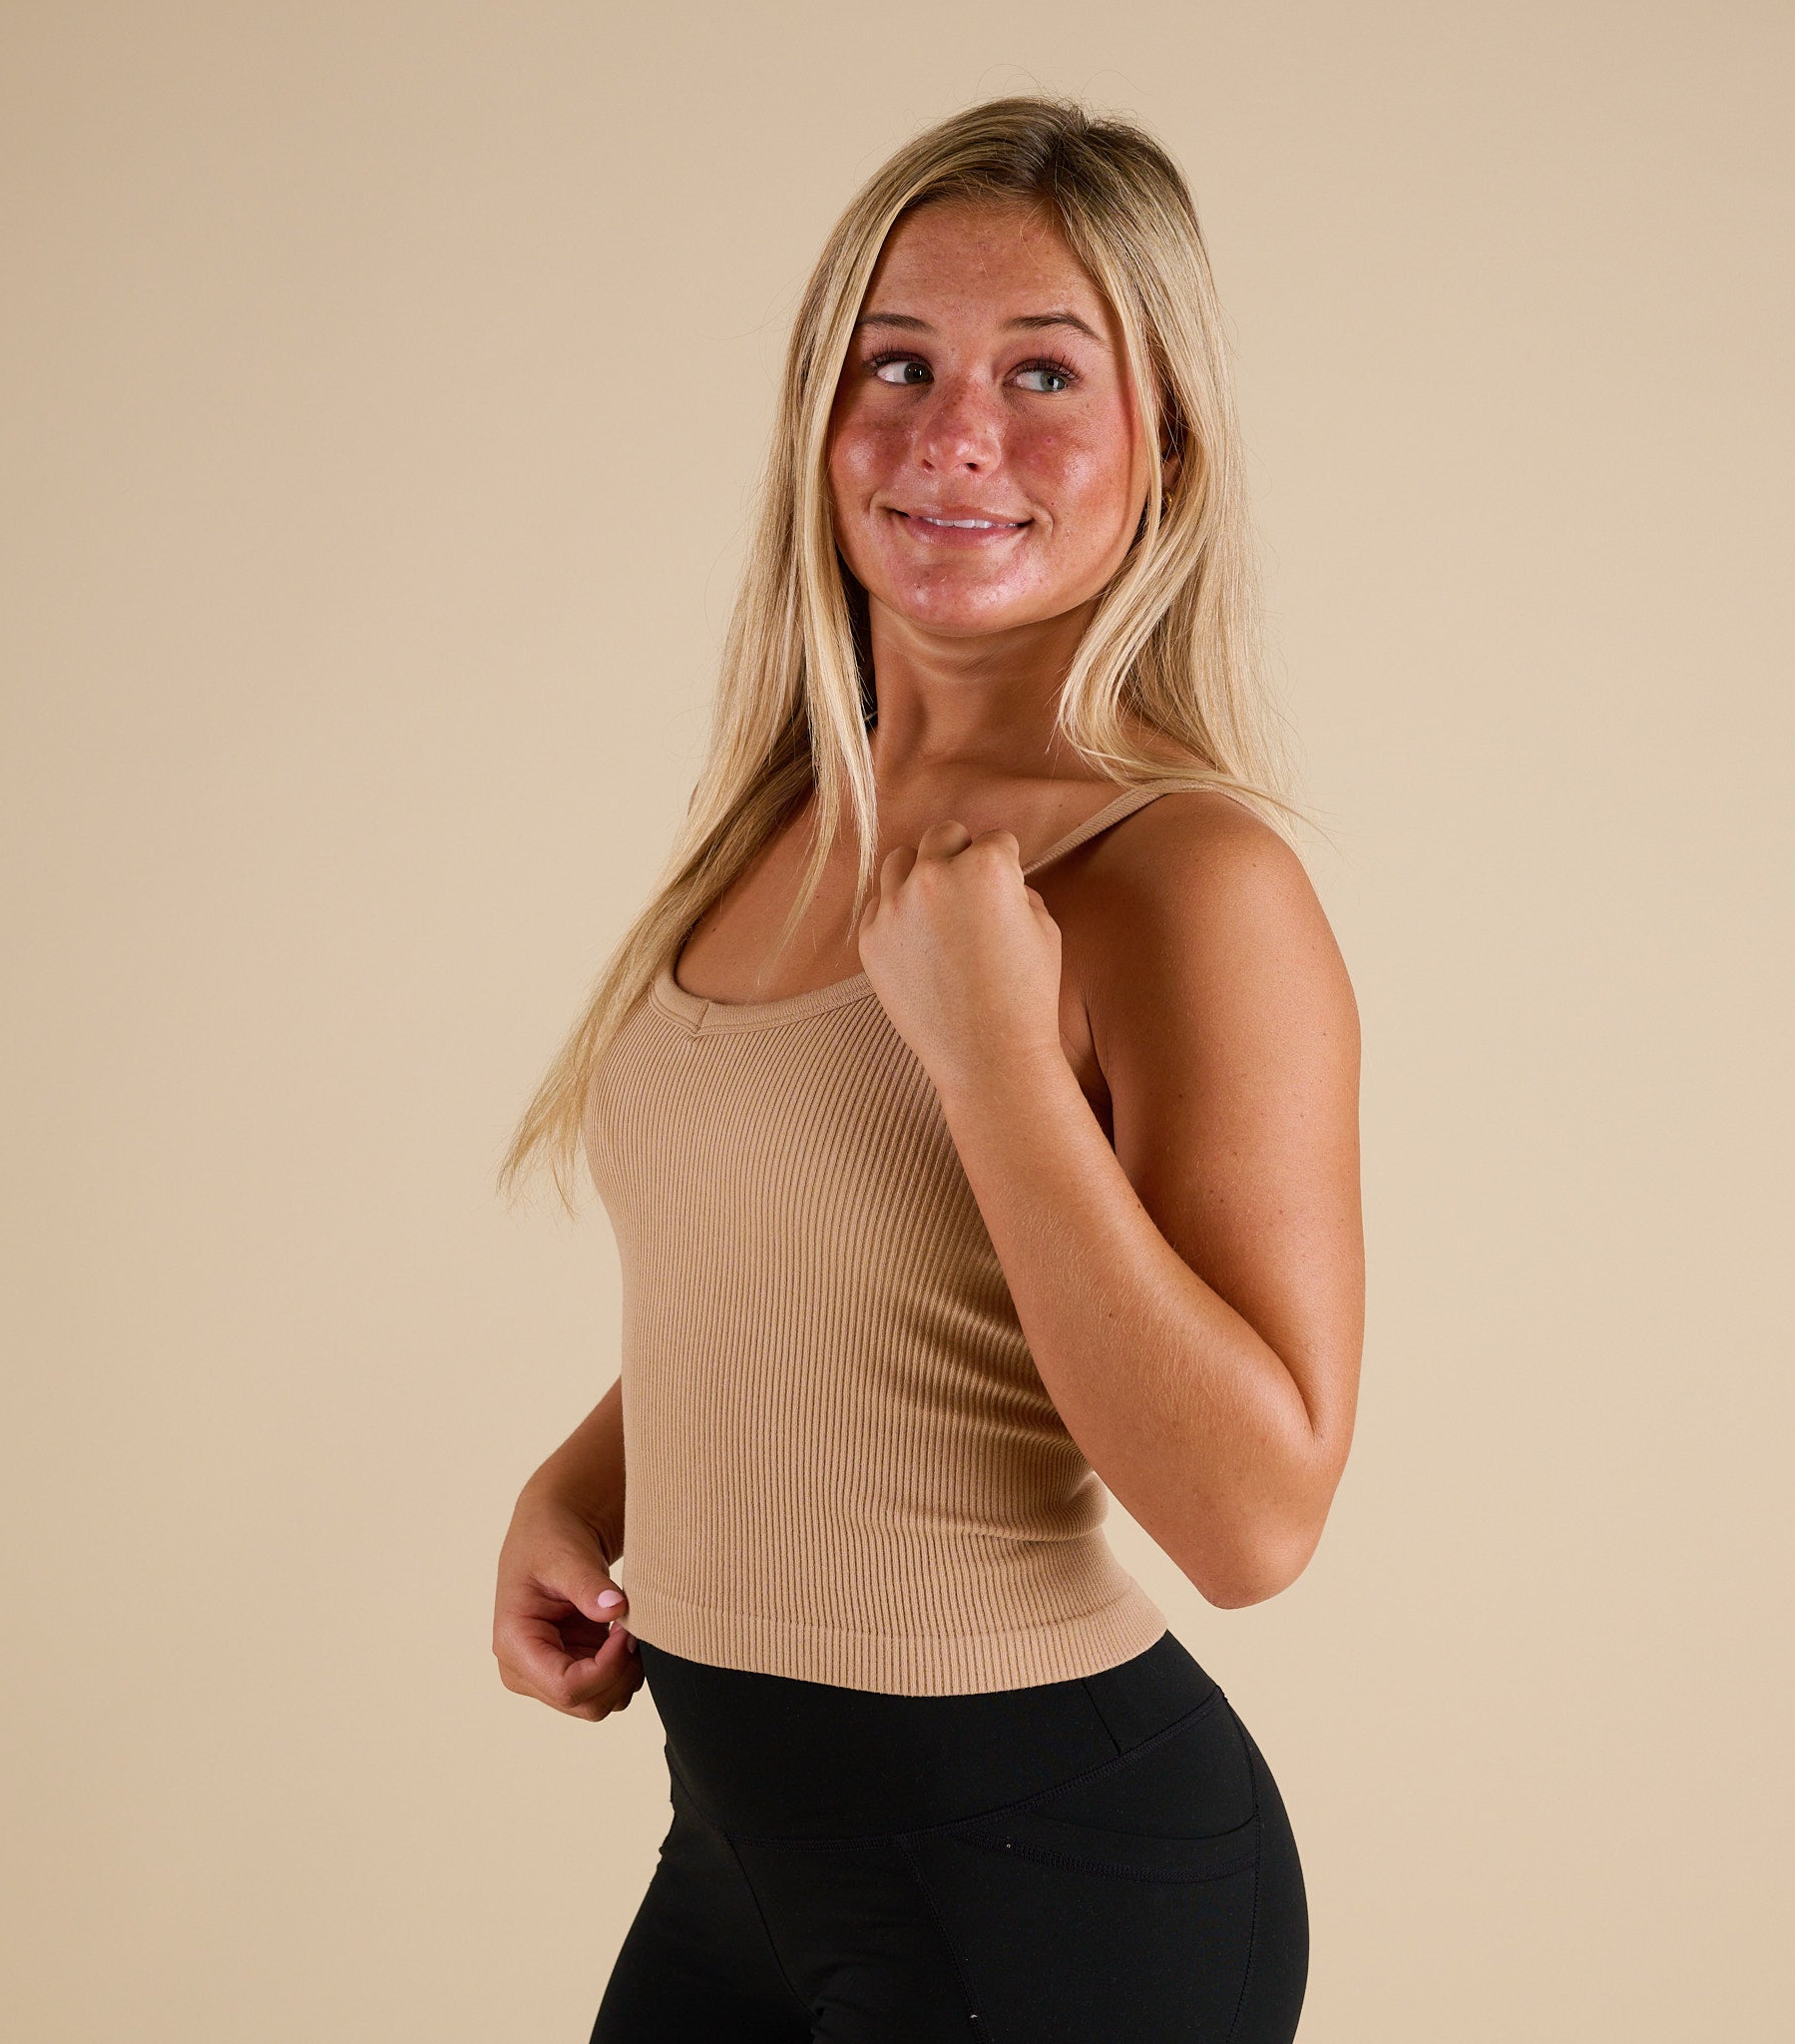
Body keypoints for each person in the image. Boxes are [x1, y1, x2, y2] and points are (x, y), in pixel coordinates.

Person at [492, 95, 1363, 2043]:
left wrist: (994, 1061)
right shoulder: (788, 817)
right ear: (819, 420)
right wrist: (587, 1481)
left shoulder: (1183, 879)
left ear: (1165, 442)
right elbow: (829, 1269)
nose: (955, 433)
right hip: (739, 1845)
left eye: (1044, 372)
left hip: (1054, 1887)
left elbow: (1256, 1520)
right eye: (897, 365)